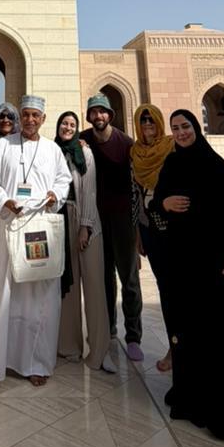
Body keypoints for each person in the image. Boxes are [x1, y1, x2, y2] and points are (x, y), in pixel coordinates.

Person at [152, 109, 224, 437]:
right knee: (185, 325)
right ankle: (188, 395)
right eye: (175, 128)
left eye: (185, 126)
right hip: (181, 259)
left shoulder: (216, 166)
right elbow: (156, 202)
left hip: (211, 259)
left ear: (196, 128)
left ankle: (215, 402)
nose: (180, 132)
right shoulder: (172, 164)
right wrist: (164, 203)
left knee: (211, 328)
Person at [0, 95, 70, 391]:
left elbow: (63, 181)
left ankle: (35, 364)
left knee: (39, 296)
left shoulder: (52, 150)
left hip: (39, 228)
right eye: (25, 115)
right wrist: (4, 201)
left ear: (42, 118)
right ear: (20, 118)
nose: (29, 120)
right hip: (9, 227)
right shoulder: (3, 146)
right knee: (1, 294)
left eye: (34, 116)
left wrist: (55, 195)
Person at [82, 93, 144, 361]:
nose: (98, 116)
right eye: (94, 112)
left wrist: (139, 230)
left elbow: (138, 187)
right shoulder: (83, 140)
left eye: (102, 112)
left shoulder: (126, 143)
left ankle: (134, 336)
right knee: (104, 278)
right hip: (97, 220)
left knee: (129, 279)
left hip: (123, 221)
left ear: (110, 115)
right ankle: (109, 330)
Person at [55, 112, 115, 373]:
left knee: (94, 287)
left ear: (77, 129)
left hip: (85, 221)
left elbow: (89, 191)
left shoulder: (84, 153)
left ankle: (100, 352)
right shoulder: (52, 151)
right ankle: (69, 347)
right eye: (63, 124)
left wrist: (85, 227)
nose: (67, 128)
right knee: (67, 285)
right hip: (60, 221)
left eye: (72, 125)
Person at [130, 104, 175, 372]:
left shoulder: (172, 148)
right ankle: (175, 345)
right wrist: (137, 233)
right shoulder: (135, 153)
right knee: (167, 290)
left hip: (176, 229)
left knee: (182, 289)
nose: (147, 124)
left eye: (151, 120)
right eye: (142, 120)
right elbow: (135, 196)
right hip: (150, 229)